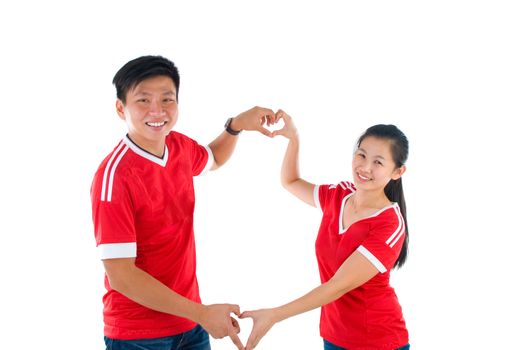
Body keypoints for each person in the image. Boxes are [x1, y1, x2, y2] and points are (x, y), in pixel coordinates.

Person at [90, 55, 276, 350]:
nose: (157, 110)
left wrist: (236, 125)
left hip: (190, 326)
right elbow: (121, 276)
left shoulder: (178, 145)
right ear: (120, 108)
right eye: (143, 100)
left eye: (167, 99)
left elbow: (213, 158)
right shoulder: (114, 176)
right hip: (139, 336)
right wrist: (202, 313)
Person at [240, 111, 410, 350]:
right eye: (361, 155)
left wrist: (274, 315)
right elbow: (291, 182)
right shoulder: (338, 194)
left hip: (377, 340)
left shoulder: (390, 224)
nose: (365, 167)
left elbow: (337, 286)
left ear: (397, 172)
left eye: (378, 162)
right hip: (334, 336)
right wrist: (294, 138)